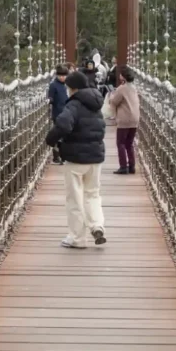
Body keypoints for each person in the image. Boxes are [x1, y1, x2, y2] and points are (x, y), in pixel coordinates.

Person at [45, 70, 108, 248]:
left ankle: (77, 238)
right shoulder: (96, 104)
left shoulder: (73, 105)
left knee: (74, 198)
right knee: (92, 194)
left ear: (72, 89)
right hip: (95, 157)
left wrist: (51, 140)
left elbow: (63, 124)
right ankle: (97, 225)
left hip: (75, 158)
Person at [107, 65, 139, 175]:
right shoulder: (134, 87)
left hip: (124, 119)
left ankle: (123, 166)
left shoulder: (121, 88)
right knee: (129, 143)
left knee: (120, 143)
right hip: (135, 119)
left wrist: (111, 96)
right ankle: (132, 166)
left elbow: (114, 102)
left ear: (123, 77)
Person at [48, 65, 70, 164]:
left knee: (65, 135)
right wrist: (50, 100)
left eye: (64, 75)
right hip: (57, 113)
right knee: (58, 136)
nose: (62, 77)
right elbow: (50, 97)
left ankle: (63, 156)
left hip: (67, 113)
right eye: (60, 75)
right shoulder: (53, 85)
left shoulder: (68, 84)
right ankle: (57, 156)